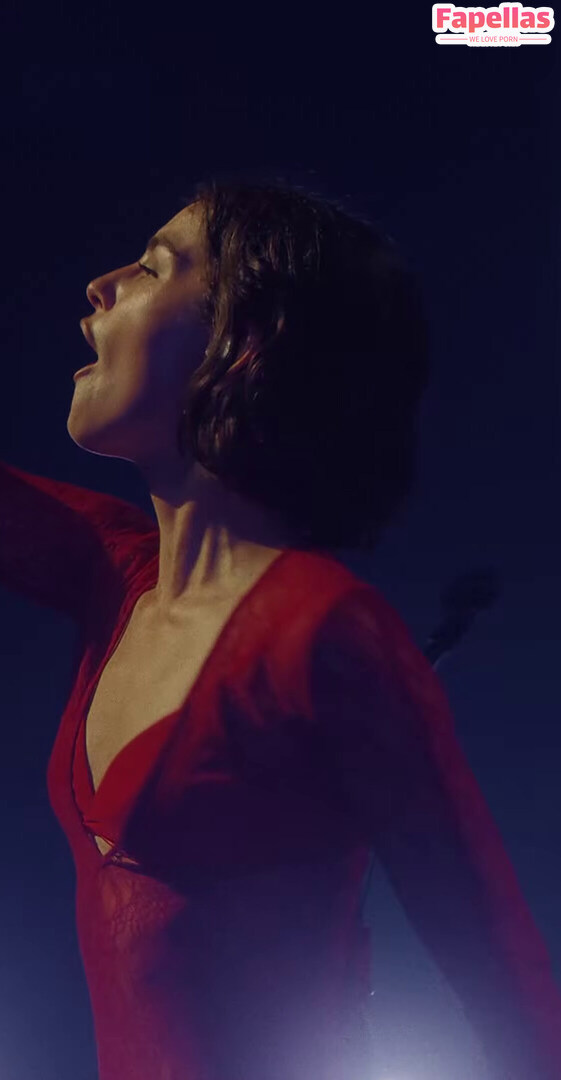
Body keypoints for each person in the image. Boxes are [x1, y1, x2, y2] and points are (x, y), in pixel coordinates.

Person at [1, 176, 560, 1080]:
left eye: (152, 268)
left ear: (243, 340)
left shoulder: (326, 631)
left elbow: (505, 983)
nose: (101, 285)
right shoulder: (115, 577)